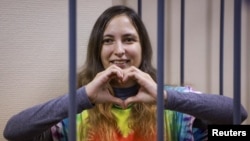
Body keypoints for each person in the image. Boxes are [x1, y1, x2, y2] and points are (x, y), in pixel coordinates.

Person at [3, 5, 248, 141]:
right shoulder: (74, 112)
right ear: (97, 51)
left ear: (143, 48)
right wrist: (83, 96)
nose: (119, 51)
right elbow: (13, 131)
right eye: (108, 41)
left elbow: (238, 116)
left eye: (129, 39)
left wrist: (165, 97)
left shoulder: (175, 104)